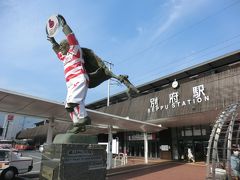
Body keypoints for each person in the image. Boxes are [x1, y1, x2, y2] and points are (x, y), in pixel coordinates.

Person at [47, 15, 90, 134]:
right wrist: (52, 41)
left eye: (62, 46)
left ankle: (85, 118)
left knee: (73, 102)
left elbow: (71, 37)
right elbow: (57, 51)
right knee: (68, 106)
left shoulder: (74, 50)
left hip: (79, 78)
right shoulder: (64, 57)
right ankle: (78, 124)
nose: (61, 48)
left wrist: (64, 26)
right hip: (70, 83)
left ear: (67, 46)